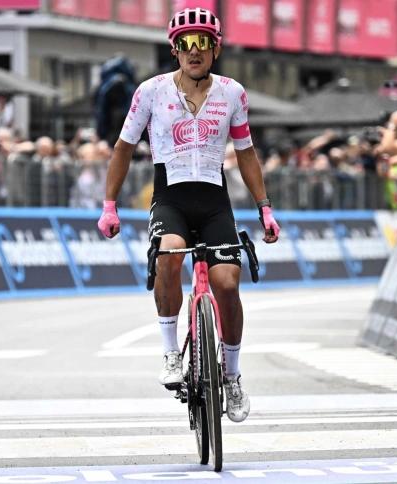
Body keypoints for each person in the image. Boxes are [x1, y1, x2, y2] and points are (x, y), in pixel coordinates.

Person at [96, 7, 280, 423]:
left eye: (202, 43)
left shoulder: (233, 93)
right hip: (171, 199)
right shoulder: (151, 91)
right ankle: (170, 353)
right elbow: (123, 148)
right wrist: (109, 204)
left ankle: (231, 376)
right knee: (169, 254)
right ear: (174, 50)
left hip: (215, 202)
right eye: (185, 43)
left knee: (227, 284)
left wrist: (264, 208)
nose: (193, 51)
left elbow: (246, 153)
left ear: (215, 49)